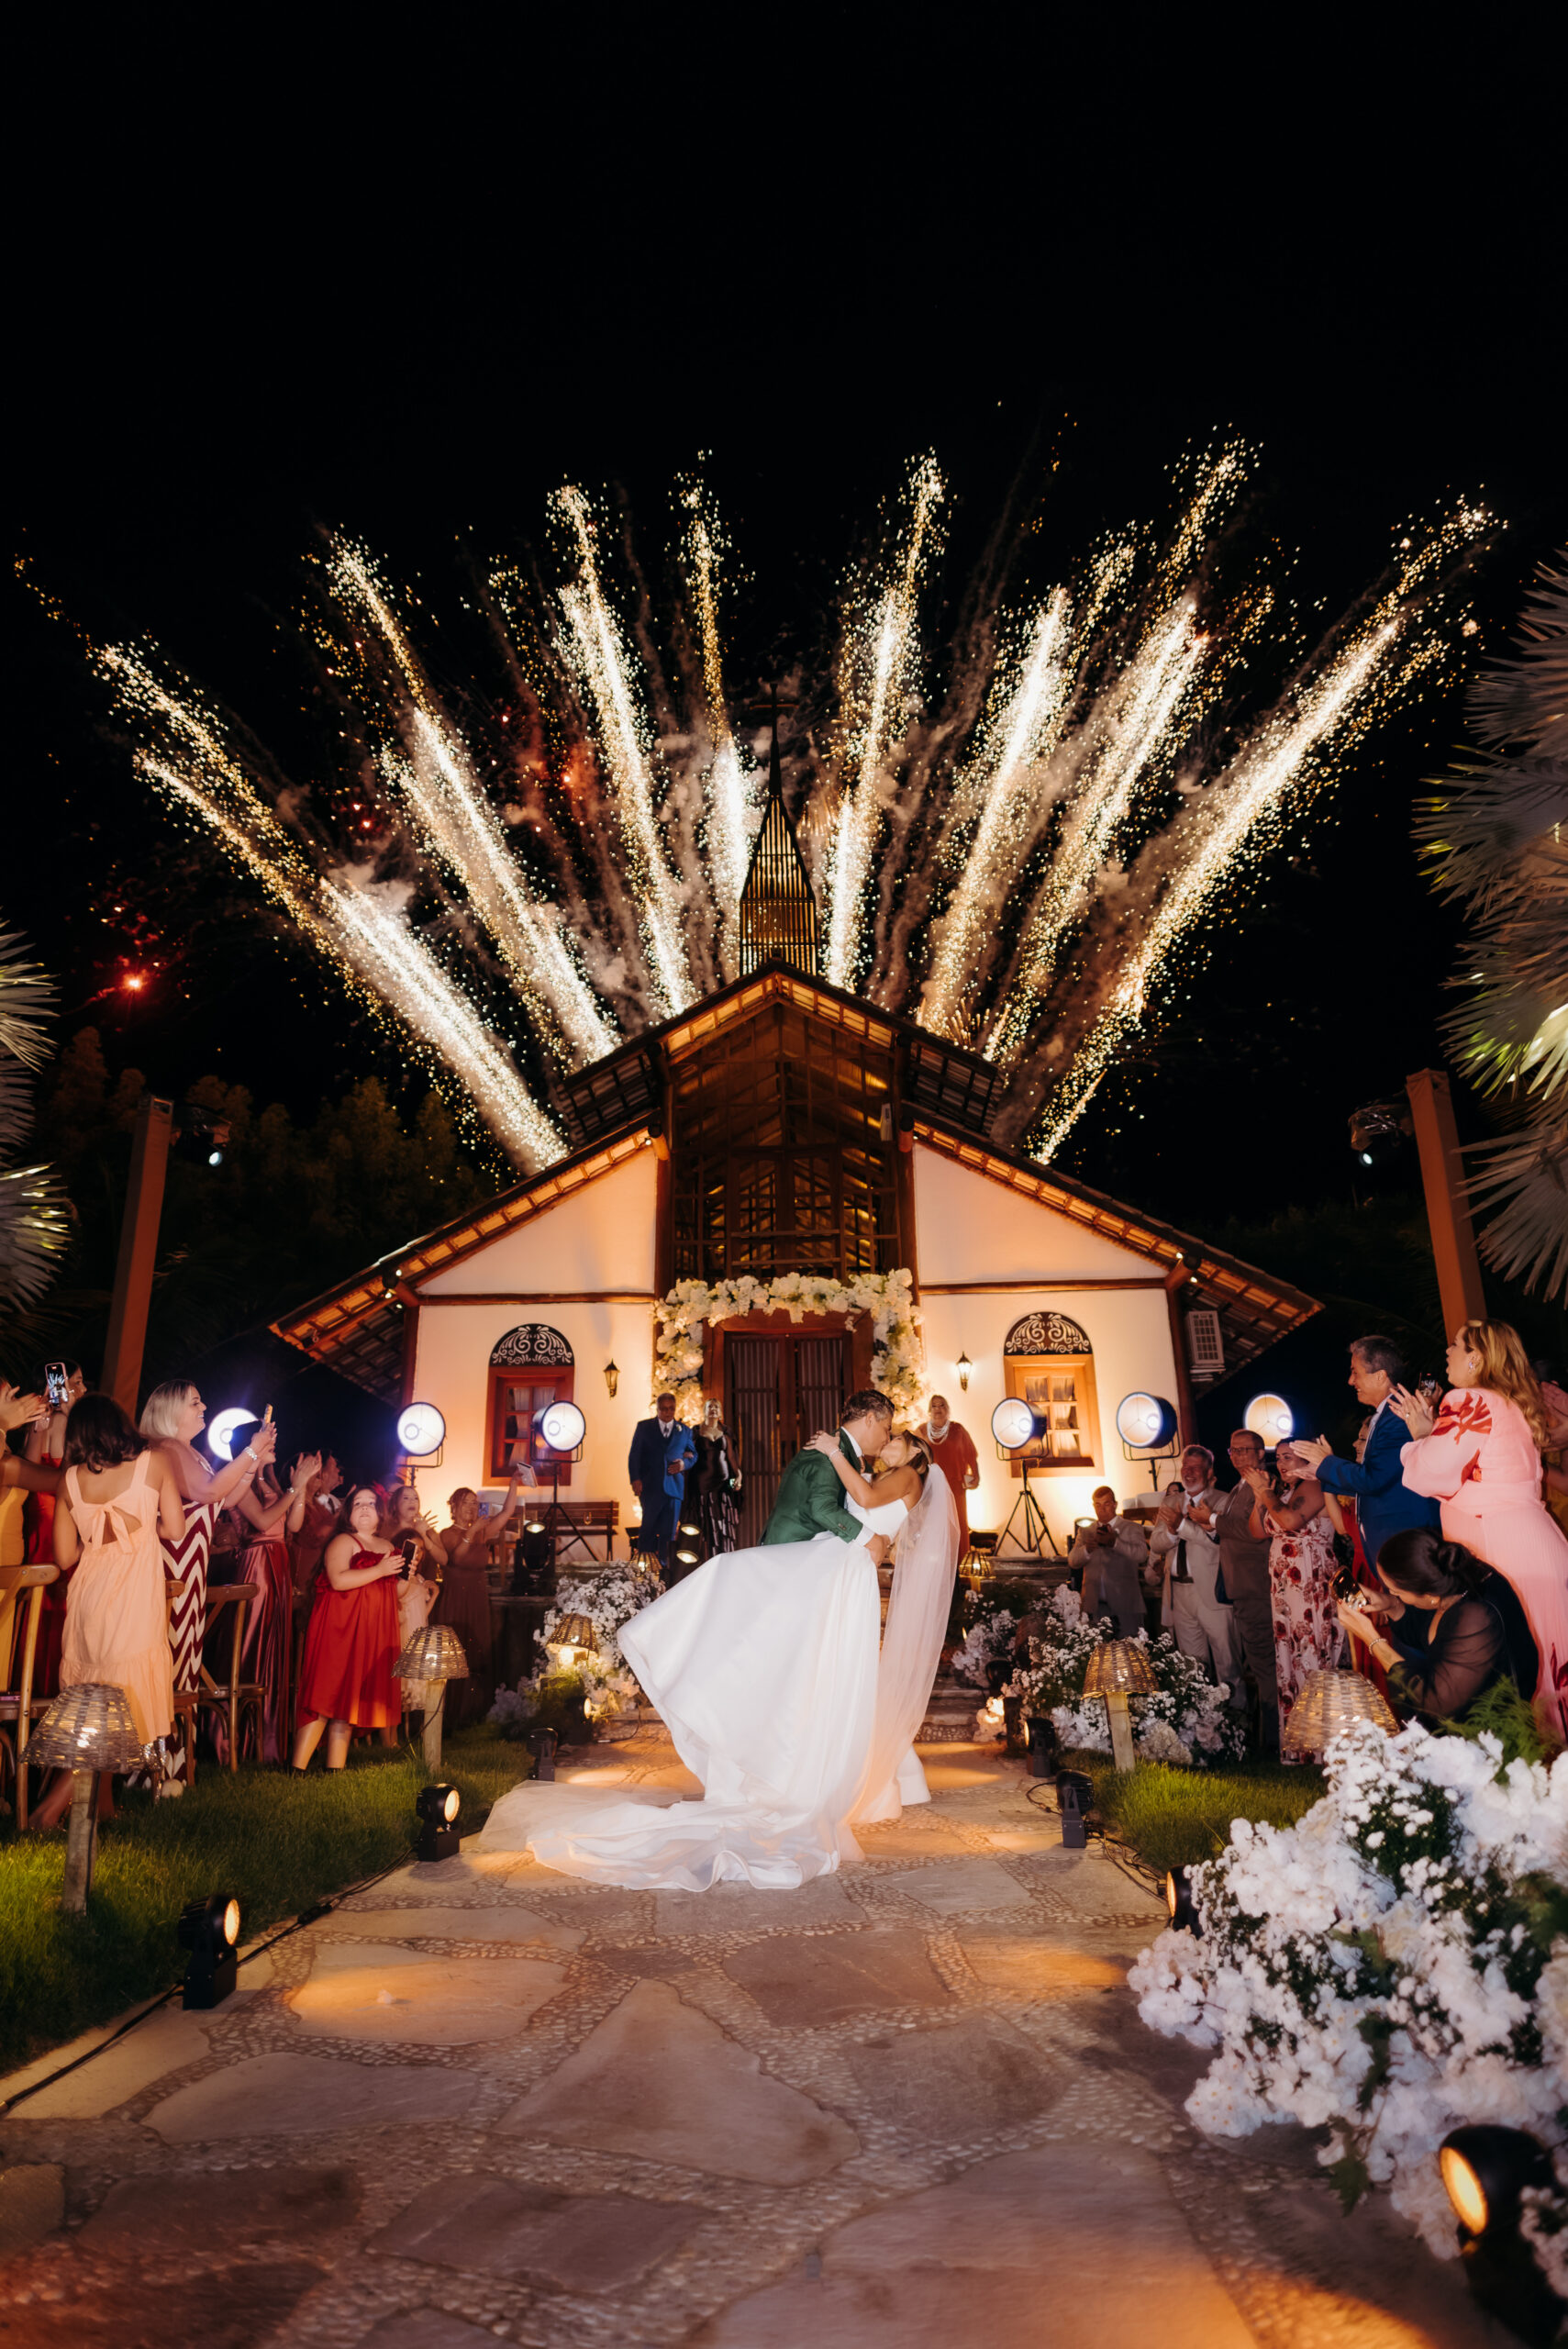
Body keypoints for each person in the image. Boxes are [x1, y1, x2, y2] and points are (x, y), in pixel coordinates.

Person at [475, 1388, 957, 1887]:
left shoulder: (887, 1469)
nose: (890, 1438)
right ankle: (771, 1757)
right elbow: (826, 1506)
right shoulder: (832, 1453)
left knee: (817, 1674)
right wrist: (866, 1533)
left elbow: (861, 1503)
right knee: (775, 1649)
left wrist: (866, 1528)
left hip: (835, 1574)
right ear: (873, 1417)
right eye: (889, 1427)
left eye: (900, 1437)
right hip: (820, 1570)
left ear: (918, 1454)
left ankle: (797, 1766)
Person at [1389, 1319, 1568, 1740]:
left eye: (1455, 1345)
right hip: (1533, 1539)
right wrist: (1432, 1435)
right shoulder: (1512, 1401)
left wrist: (1419, 1437)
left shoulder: (1468, 1398)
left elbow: (1431, 1474)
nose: (1447, 1352)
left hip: (1497, 1543)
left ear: (1476, 1357)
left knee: (1510, 1658)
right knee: (1549, 1653)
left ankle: (1525, 1766)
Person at [31, 1397, 186, 1831]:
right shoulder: (153, 1463)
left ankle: (102, 1810)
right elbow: (175, 1529)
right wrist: (139, 1532)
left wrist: (99, 1537)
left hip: (88, 1599)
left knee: (96, 1700)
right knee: (117, 1704)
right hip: (133, 1598)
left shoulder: (70, 1481)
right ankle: (47, 1813)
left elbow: (65, 1556)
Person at [1335, 1527, 1539, 1731]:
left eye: (1395, 1591)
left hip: (1489, 1738)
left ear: (1429, 1594)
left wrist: (1372, 1639)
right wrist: (1391, 1604)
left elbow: (1436, 1706)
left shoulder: (1476, 1617)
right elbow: (1427, 1632)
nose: (1393, 1593)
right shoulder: (1449, 1581)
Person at [1293, 1337, 1441, 1566]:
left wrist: (1327, 1463)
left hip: (1406, 1540)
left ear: (1380, 1376)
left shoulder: (1398, 1416)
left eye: (1356, 1372)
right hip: (1396, 1541)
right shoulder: (1385, 1415)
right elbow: (1381, 1477)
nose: (1351, 1380)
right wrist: (1323, 1471)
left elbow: (1374, 1480)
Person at [292, 1486, 406, 1771]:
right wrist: (380, 1570)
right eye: (358, 1503)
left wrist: (407, 1576)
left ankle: (335, 1769)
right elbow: (339, 1580)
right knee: (326, 1696)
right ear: (348, 1513)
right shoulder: (344, 1541)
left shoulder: (388, 1546)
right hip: (339, 1628)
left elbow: (395, 1592)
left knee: (347, 1703)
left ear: (380, 1512)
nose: (365, 1508)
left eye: (371, 1503)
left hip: (368, 1632)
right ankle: (297, 1769)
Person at [1240, 1438, 1337, 1759]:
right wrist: (1260, 1495)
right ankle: (1299, 1746)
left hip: (1309, 1581)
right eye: (1278, 1457)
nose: (1281, 1464)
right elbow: (1257, 1531)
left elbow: (1291, 1521)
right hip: (1284, 1587)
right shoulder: (1282, 1493)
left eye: (1289, 1457)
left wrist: (1266, 1494)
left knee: (1310, 1653)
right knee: (1290, 1657)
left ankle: (1322, 1748)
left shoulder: (1314, 1484)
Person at [1207, 1430, 1283, 1753]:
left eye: (1245, 1450)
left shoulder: (1262, 1484)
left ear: (1260, 1453)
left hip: (1255, 1584)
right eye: (1233, 1450)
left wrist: (1211, 1519)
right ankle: (1266, 1736)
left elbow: (1255, 1532)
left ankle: (1273, 1741)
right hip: (1241, 1584)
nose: (1238, 1456)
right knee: (1255, 1661)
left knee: (1265, 1662)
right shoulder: (1240, 1486)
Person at [1149, 1445, 1240, 1706]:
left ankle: (1236, 1726)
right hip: (1179, 1592)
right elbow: (1156, 1545)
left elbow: (1219, 1544)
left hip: (1213, 1594)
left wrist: (1182, 1526)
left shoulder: (1223, 1501)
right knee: (1190, 1669)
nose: (1188, 1473)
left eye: (1195, 1468)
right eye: (1185, 1467)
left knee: (1228, 1666)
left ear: (1209, 1471)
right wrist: (1171, 1533)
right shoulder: (1169, 1502)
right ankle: (1201, 1726)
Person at [437, 1476, 527, 1725]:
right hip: (456, 1598)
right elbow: (455, 1558)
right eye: (465, 1503)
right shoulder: (447, 1533)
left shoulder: (482, 1532)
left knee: (477, 1650)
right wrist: (472, 1532)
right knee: (456, 1651)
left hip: (477, 1596)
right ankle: (453, 1713)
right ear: (453, 1507)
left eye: (475, 1503)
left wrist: (512, 1485)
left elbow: (508, 1511)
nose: (471, 1508)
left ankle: (475, 1713)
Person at [628, 1394, 697, 1575]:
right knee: (648, 1528)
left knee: (669, 1532)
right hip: (650, 1487)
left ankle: (665, 1572)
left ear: (675, 1408)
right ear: (657, 1409)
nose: (668, 1412)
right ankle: (644, 1569)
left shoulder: (684, 1431)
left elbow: (693, 1455)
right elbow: (634, 1455)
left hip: (674, 1488)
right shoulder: (644, 1427)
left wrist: (683, 1464)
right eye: (664, 1409)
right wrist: (635, 1479)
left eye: (671, 1408)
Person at [1068, 1486, 1149, 1639]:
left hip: (1126, 1605)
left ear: (1114, 1504)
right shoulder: (1086, 1531)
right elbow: (1072, 1561)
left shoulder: (1132, 1528)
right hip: (1094, 1605)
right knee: (1098, 1656)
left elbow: (1141, 1555)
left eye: (1106, 1504)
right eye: (1097, 1505)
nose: (1102, 1509)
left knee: (1130, 1655)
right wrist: (1087, 1550)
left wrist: (1115, 1543)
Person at [917, 1394, 980, 1560]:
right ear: (929, 1410)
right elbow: (915, 1457)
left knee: (956, 1524)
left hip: (954, 1486)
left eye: (942, 1405)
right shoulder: (922, 1430)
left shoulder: (957, 1429)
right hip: (931, 1486)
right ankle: (936, 1562)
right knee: (934, 1524)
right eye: (934, 1406)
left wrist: (976, 1474)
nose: (938, 1409)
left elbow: (970, 1454)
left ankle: (959, 1565)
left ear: (947, 1409)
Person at [691, 1401, 740, 1568]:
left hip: (724, 1484)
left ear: (721, 1411)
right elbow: (690, 1456)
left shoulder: (726, 1432)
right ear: (703, 1410)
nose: (713, 1409)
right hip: (702, 1485)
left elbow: (732, 1458)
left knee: (724, 1523)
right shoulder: (696, 1431)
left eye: (716, 1407)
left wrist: (737, 1478)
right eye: (709, 1407)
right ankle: (708, 1563)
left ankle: (725, 1562)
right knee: (707, 1526)